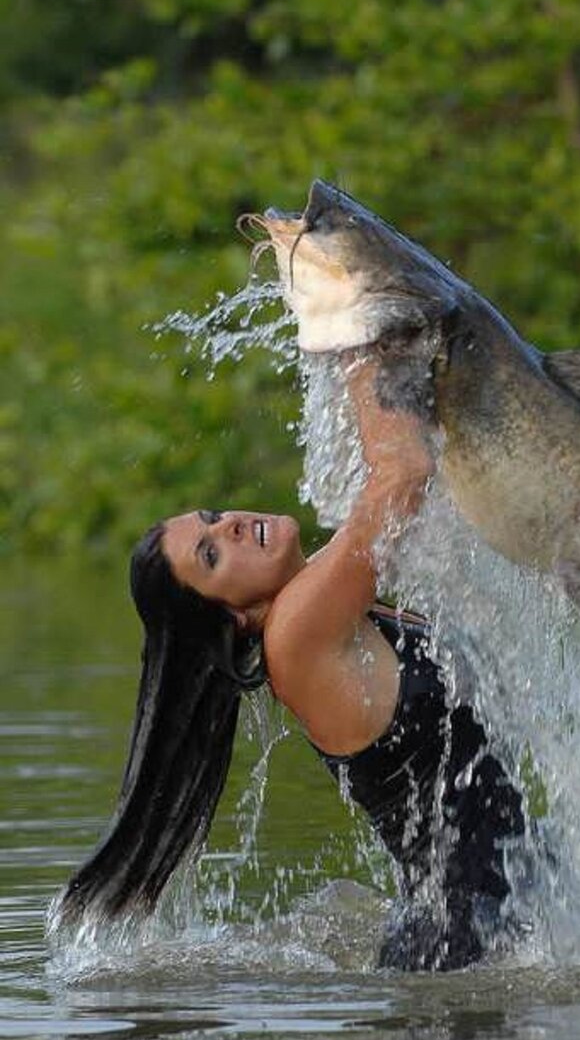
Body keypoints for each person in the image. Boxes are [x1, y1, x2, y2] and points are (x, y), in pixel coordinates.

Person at [56, 354, 530, 971]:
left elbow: (389, 480)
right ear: (231, 617)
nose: (229, 525)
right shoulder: (297, 634)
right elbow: (402, 478)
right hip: (465, 950)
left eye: (212, 519)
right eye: (210, 554)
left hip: (493, 919)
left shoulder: (324, 606)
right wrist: (360, 343)